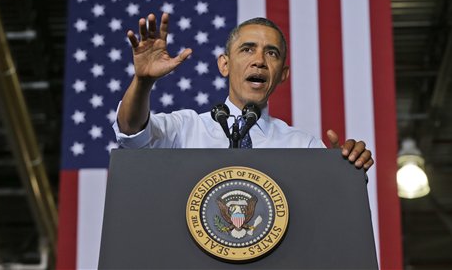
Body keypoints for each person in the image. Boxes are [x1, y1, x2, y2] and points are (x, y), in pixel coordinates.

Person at [114, 12, 374, 170]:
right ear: (224, 65)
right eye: (247, 49)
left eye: (271, 53)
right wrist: (143, 81)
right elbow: (131, 132)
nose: (259, 60)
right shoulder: (185, 129)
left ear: (282, 74)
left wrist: (346, 169)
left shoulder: (302, 146)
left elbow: (331, 202)